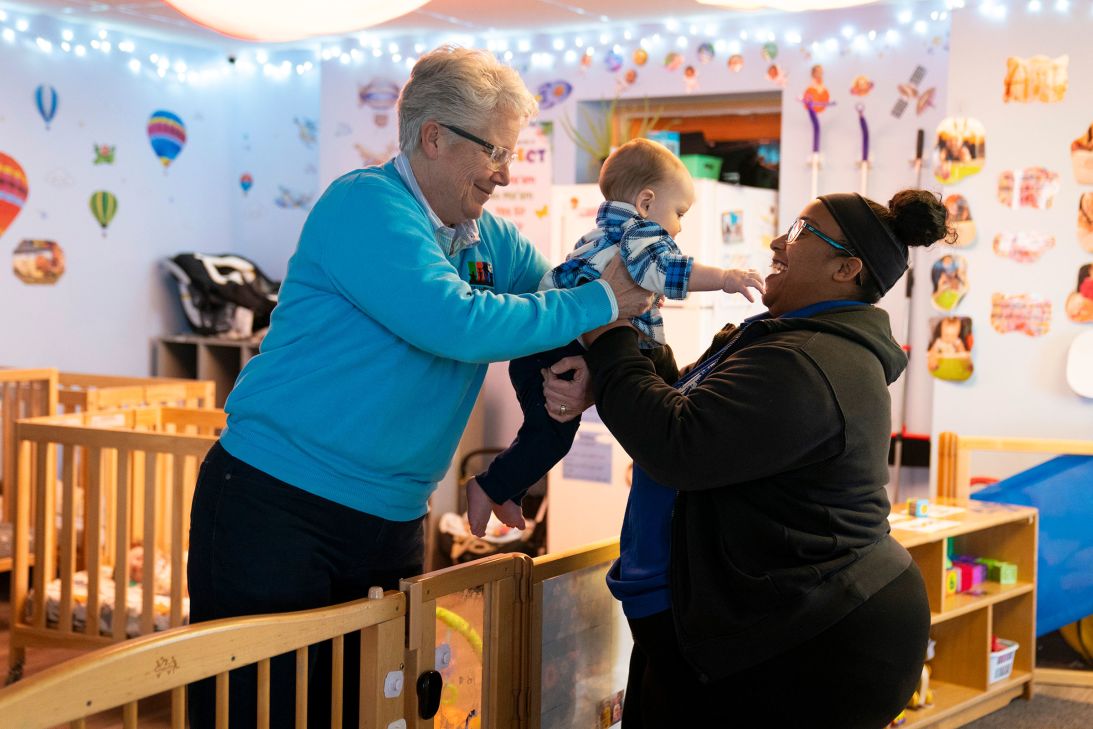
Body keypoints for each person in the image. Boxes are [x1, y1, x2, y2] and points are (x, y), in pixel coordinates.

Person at [186, 45, 652, 729]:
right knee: (262, 711)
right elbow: (454, 322)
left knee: (371, 710)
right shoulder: (367, 204)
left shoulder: (486, 238)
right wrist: (599, 307)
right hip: (277, 502)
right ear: (433, 137)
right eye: (495, 152)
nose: (502, 174)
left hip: (391, 515)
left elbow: (553, 297)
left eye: (511, 155)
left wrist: (581, 362)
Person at [543, 189, 951, 728]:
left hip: (812, 632)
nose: (779, 241)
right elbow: (691, 408)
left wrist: (613, 330)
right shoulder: (788, 340)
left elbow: (678, 445)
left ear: (846, 269)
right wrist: (616, 371)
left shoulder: (810, 362)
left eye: (802, 232)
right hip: (759, 611)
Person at [465, 139, 763, 533]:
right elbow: (670, 270)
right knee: (581, 423)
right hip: (557, 350)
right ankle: (489, 487)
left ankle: (507, 490)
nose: (679, 226)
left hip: (558, 345)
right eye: (678, 213)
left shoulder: (601, 233)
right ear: (646, 202)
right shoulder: (640, 234)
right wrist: (725, 278)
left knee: (552, 433)